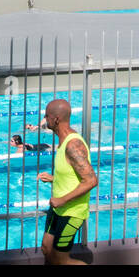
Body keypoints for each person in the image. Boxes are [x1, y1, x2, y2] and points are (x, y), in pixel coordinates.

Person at [36, 99, 96, 265]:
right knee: (46, 249)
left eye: (46, 115)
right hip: (58, 209)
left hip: (72, 212)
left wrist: (61, 199)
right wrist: (55, 179)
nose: (44, 119)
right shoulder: (64, 141)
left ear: (55, 119)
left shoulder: (73, 145)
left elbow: (91, 180)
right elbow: (74, 174)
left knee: (60, 260)